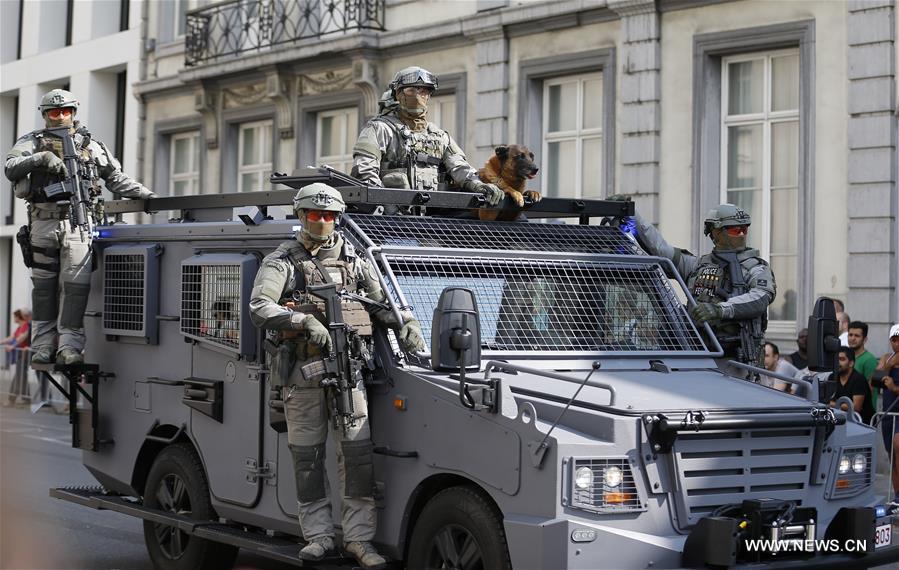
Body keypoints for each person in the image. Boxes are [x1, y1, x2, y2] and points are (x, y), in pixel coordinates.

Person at [249, 183, 425, 568]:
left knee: (358, 457)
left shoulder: (355, 260)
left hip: (350, 373)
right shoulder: (282, 261)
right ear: (302, 216)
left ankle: (359, 540)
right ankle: (318, 536)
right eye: (315, 214)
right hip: (303, 375)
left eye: (330, 215)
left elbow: (380, 303)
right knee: (307, 459)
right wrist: (302, 320)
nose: (323, 221)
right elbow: (259, 307)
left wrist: (405, 323)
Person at [5, 89, 155, 366]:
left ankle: (69, 346)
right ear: (45, 114)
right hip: (43, 222)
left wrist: (146, 195)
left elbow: (114, 178)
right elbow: (11, 166)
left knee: (76, 289)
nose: (60, 116)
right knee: (44, 288)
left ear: (73, 112)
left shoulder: (91, 144)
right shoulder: (32, 141)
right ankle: (42, 345)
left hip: (79, 224)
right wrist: (40, 159)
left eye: (65, 111)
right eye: (53, 111)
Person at [610, 200, 775, 365]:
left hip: (737, 362)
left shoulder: (755, 268)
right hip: (695, 354)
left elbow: (760, 297)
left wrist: (720, 310)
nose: (741, 235)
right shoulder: (696, 265)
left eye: (744, 229)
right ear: (715, 232)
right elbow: (660, 249)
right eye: (734, 230)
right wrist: (630, 212)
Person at [351, 66, 503, 207]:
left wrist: (479, 185)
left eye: (424, 91)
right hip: (391, 220)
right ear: (398, 94)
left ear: (429, 95)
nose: (418, 96)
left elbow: (460, 168)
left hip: (433, 220)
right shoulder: (379, 128)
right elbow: (364, 172)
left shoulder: (439, 136)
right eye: (411, 90)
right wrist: (385, 204)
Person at [873, 324, 899, 501]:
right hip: (889, 413)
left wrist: (895, 388)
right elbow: (875, 380)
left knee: (898, 446)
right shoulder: (887, 358)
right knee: (893, 457)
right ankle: (897, 496)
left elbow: (890, 386)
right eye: (894, 340)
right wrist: (888, 366)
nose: (897, 344)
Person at [823, 347, 875, 425]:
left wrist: (832, 404)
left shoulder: (858, 379)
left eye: (842, 359)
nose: (837, 362)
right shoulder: (832, 377)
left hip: (862, 424)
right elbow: (828, 399)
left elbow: (856, 407)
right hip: (842, 421)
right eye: (836, 359)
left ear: (851, 363)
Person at [3, 309, 31, 407]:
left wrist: (12, 346)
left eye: (14, 316)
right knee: (21, 376)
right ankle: (26, 398)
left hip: (24, 354)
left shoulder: (26, 326)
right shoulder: (20, 327)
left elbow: (21, 338)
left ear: (19, 317)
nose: (14, 318)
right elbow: (12, 337)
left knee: (19, 376)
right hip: (21, 354)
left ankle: (12, 399)